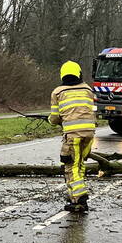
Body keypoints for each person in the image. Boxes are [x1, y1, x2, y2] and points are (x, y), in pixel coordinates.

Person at [48, 60, 97, 212]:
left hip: (73, 136)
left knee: (70, 166)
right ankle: (74, 195)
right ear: (79, 73)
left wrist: (50, 120)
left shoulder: (58, 92)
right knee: (80, 164)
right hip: (89, 134)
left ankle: (79, 199)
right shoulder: (88, 90)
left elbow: (55, 118)